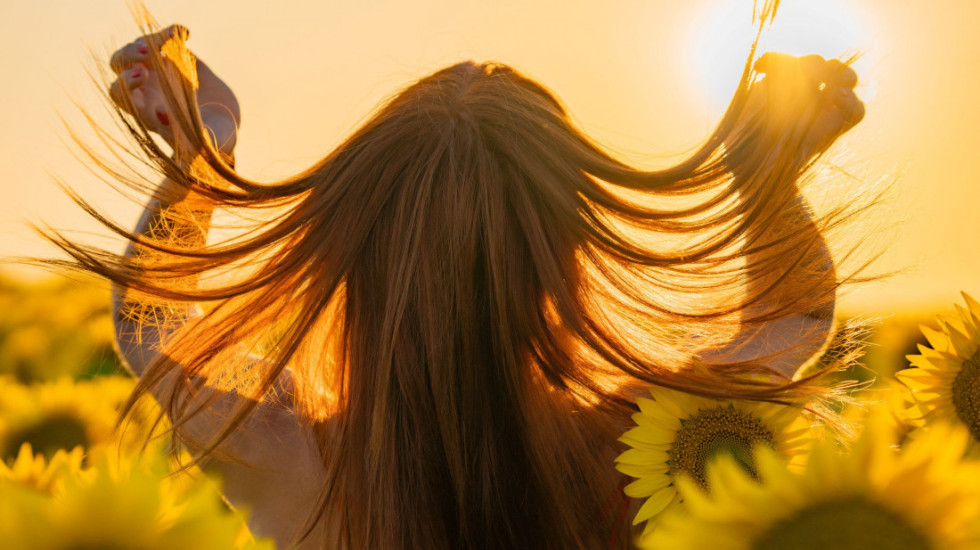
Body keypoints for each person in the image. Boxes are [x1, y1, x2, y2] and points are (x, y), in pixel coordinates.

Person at [57, 22, 864, 550]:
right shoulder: (642, 437)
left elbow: (152, 328)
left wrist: (203, 158)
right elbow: (792, 318)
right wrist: (766, 179)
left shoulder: (294, 457)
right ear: (570, 261)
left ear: (344, 256)